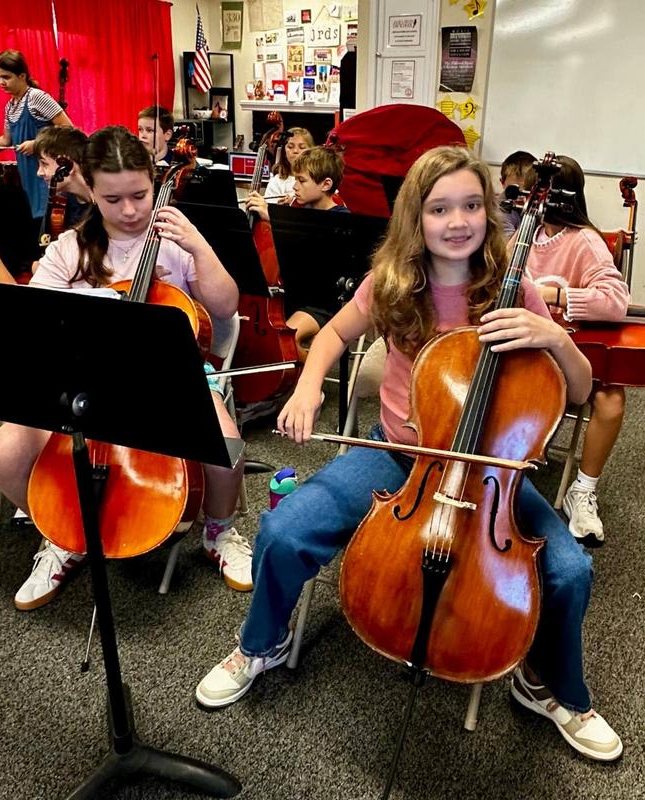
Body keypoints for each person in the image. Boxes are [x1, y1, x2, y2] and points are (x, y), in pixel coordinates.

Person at [196, 145, 622, 763]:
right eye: (439, 208)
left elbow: (579, 391)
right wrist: (310, 385)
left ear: (489, 212)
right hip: (401, 456)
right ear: (415, 218)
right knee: (285, 530)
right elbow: (335, 333)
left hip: (489, 472)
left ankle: (546, 686)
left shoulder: (514, 289)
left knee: (570, 571)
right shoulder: (392, 281)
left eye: (471, 205)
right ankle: (261, 642)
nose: (458, 221)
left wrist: (555, 337)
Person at [0, 125, 253, 610]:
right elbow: (35, 322)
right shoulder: (70, 248)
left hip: (169, 381)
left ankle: (219, 531)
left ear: (154, 183)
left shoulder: (174, 241)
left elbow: (225, 307)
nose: (131, 211)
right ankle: (63, 533)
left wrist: (199, 247)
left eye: (140, 195)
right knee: (3, 452)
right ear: (91, 190)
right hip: (82, 384)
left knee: (227, 446)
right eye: (114, 199)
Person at [519, 155, 630, 544]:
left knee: (612, 401)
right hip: (524, 349)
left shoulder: (585, 241)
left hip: (568, 352)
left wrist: (555, 295)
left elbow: (615, 300)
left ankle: (582, 490)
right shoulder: (525, 236)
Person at [246, 144, 350, 365]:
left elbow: (313, 238)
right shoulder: (300, 211)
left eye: (302, 181)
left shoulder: (340, 219)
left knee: (284, 339)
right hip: (288, 298)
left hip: (320, 305)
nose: (295, 187)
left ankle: (312, 370)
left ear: (326, 184)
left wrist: (277, 217)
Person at [0, 50, 72, 223]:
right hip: (28, 178)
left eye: (6, 77)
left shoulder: (36, 97)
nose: (0, 82)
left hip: (47, 177)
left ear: (22, 76)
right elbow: (6, 140)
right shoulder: (10, 106)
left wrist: (37, 144)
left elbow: (69, 129)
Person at [34, 125, 92, 232]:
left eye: (44, 164)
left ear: (68, 166)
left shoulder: (104, 203)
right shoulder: (58, 203)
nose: (39, 173)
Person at [263, 127, 314, 203]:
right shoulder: (276, 182)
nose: (295, 151)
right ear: (284, 152)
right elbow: (269, 207)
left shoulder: (317, 179)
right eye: (290, 147)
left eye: (302, 147)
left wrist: (294, 202)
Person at [498, 150, 536, 238]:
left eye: (527, 190)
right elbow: (507, 243)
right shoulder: (500, 211)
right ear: (502, 182)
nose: (521, 197)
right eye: (514, 191)